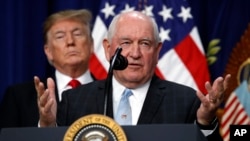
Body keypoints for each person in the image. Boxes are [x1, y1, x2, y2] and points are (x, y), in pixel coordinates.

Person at [36, 11, 231, 141]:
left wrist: (205, 123)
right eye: (126, 42)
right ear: (107, 49)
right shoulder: (75, 100)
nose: (135, 53)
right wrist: (48, 126)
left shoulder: (185, 100)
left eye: (145, 43)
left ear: (157, 51)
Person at [0, 9, 95, 128]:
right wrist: (46, 125)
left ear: (91, 45)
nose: (70, 41)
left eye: (77, 34)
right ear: (48, 51)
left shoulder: (112, 92)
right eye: (60, 36)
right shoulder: (18, 97)